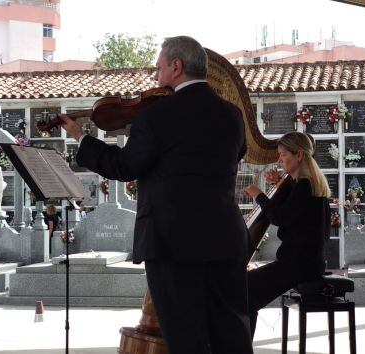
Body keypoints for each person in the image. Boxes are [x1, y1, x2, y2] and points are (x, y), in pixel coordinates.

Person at [59, 36, 253, 354]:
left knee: (186, 336)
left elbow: (123, 166)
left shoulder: (156, 116)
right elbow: (238, 152)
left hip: (173, 242)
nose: (156, 76)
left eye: (159, 67)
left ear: (176, 67)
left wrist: (83, 138)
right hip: (225, 238)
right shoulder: (231, 115)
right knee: (231, 331)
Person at [242, 132, 331, 336]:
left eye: (283, 154)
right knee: (244, 293)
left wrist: (259, 195)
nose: (280, 159)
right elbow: (292, 213)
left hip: (298, 265)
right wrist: (277, 185)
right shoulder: (305, 184)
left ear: (299, 155)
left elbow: (279, 218)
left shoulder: (305, 186)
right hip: (303, 263)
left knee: (241, 291)